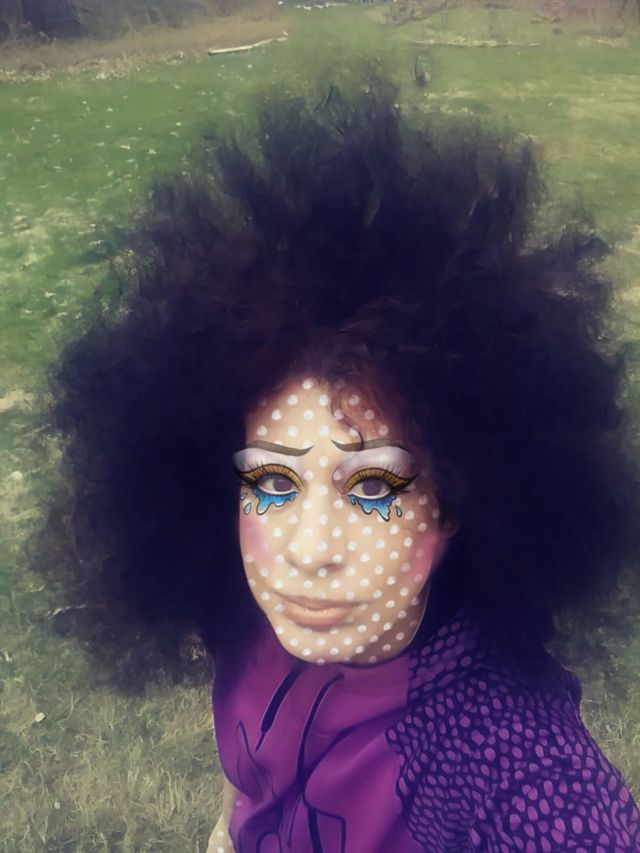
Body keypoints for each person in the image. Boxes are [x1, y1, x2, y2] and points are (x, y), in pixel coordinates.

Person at [46, 77, 640, 851]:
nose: (309, 549)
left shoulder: (518, 771)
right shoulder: (246, 608)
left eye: (371, 486)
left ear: (458, 497)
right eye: (273, 480)